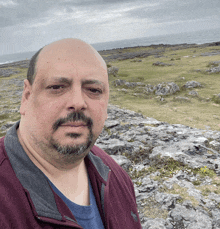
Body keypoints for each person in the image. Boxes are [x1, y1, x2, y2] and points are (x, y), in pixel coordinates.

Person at [0, 38, 142, 229]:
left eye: (93, 90)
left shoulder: (116, 177)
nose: (78, 102)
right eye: (57, 87)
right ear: (26, 97)